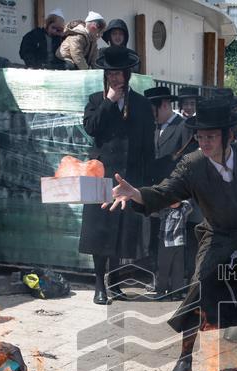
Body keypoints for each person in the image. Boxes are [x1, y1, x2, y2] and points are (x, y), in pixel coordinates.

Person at [105, 97, 237, 371]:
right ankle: (185, 358)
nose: (204, 142)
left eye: (211, 136)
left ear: (229, 136)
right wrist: (136, 194)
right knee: (199, 287)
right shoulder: (193, 165)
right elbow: (165, 192)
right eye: (200, 137)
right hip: (219, 235)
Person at [79, 46, 155, 304]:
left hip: (128, 177)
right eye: (110, 73)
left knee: (123, 232)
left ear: (127, 74)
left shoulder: (143, 104)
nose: (114, 78)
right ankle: (99, 284)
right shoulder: (95, 100)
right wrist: (109, 101)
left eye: (119, 73)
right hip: (100, 175)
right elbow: (91, 128)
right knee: (99, 231)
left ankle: (116, 282)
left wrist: (146, 183)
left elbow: (148, 145)